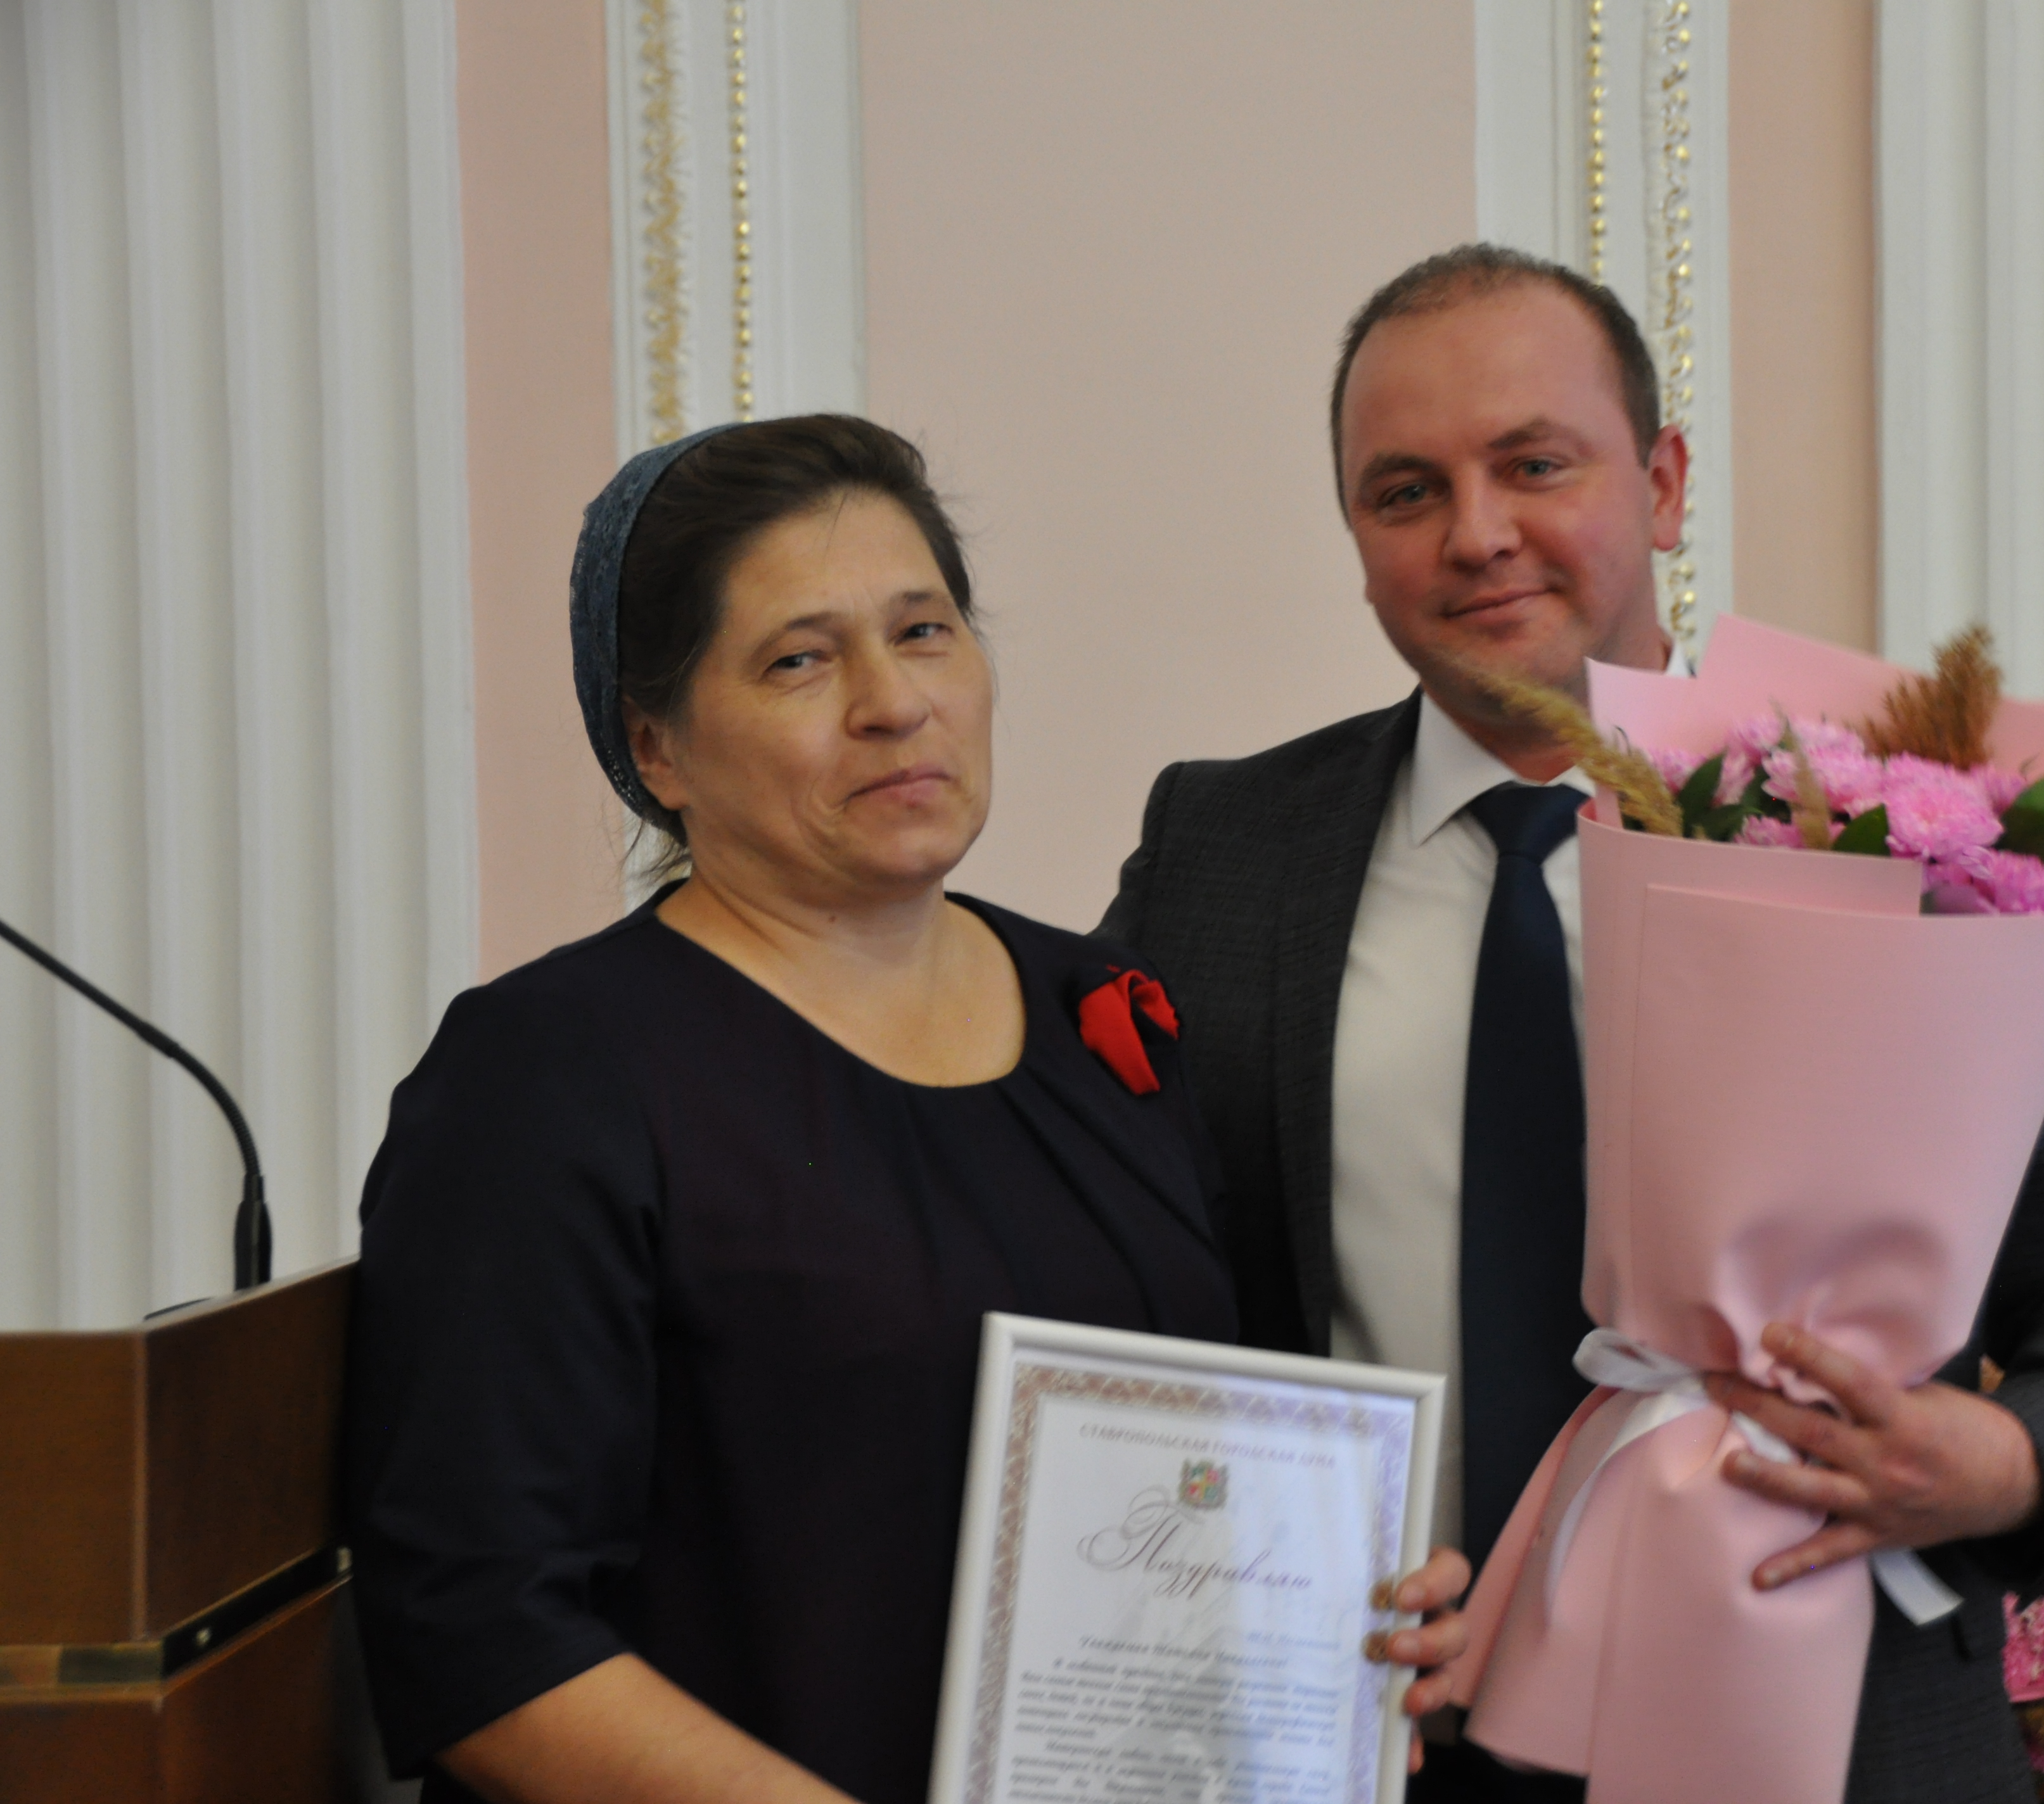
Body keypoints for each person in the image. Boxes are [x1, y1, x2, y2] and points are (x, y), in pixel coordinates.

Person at [1095, 246, 2044, 1803]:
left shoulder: (1887, 830)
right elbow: (1101, 1257)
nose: (1474, 532)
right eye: (1404, 490)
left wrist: (2012, 1460)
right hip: (1369, 1727)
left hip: (1839, 1726)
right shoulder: (1221, 852)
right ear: (1354, 536)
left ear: (1663, 481)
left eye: (1533, 464)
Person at [342, 415, 1467, 1804]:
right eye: (799, 659)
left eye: (924, 631)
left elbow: (1191, 1479)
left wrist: (1332, 1614)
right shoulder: (546, 1077)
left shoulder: (1101, 1013)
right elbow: (476, 1631)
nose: (892, 701)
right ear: (657, 749)